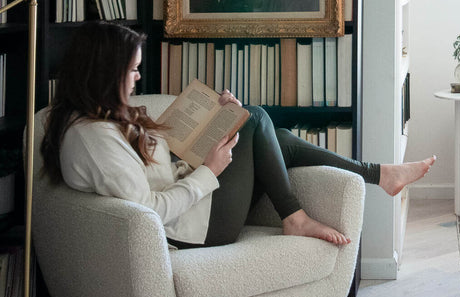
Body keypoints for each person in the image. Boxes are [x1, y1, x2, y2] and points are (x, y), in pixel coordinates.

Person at [41, 21, 435, 248]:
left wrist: (215, 121)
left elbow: (157, 172)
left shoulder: (102, 119)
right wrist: (208, 173)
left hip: (191, 209)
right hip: (188, 234)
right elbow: (149, 213)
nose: (138, 77)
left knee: (272, 135)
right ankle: (297, 216)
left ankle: (379, 174)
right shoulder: (92, 139)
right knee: (257, 119)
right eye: (132, 70)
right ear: (105, 72)